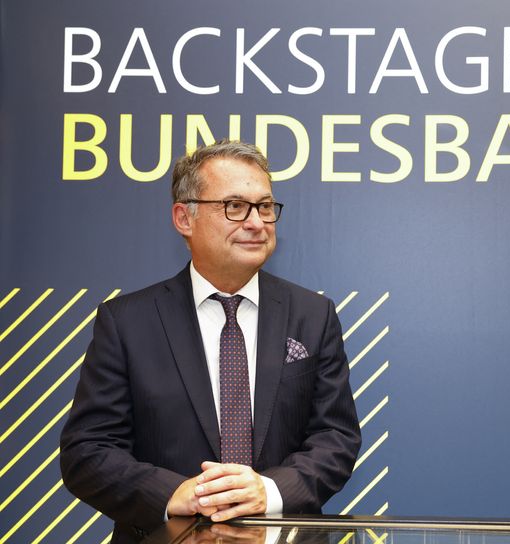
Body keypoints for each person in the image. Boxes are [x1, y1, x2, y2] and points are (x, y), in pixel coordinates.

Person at [60, 140, 362, 542]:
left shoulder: (313, 315)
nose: (256, 222)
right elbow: (88, 452)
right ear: (184, 217)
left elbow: (336, 439)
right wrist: (175, 494)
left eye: (265, 206)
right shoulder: (126, 322)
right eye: (235, 206)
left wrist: (268, 491)